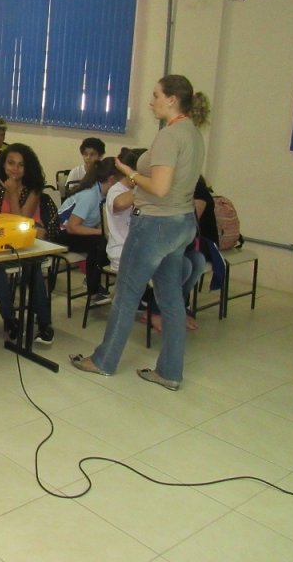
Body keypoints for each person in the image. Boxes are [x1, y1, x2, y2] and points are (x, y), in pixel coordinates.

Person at [70, 75, 208, 391]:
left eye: (156, 95)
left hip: (156, 223)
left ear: (172, 99)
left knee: (126, 293)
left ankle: (103, 360)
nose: (151, 100)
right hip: (181, 222)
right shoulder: (193, 133)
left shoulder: (169, 136)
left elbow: (158, 188)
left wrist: (130, 173)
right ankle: (170, 372)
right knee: (171, 297)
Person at [0, 143, 54, 344]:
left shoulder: (33, 190)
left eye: (20, 165)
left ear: (28, 168)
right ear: (4, 164)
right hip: (5, 240)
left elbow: (21, 221)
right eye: (11, 163)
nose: (15, 169)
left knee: (32, 269)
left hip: (31, 239)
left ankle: (44, 322)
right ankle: (10, 320)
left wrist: (13, 194)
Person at [56, 157, 122, 304]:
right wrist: (103, 232)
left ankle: (96, 278)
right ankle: (93, 289)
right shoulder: (90, 195)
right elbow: (73, 227)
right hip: (60, 233)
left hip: (78, 231)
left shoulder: (104, 194)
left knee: (109, 241)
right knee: (99, 243)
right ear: (111, 179)